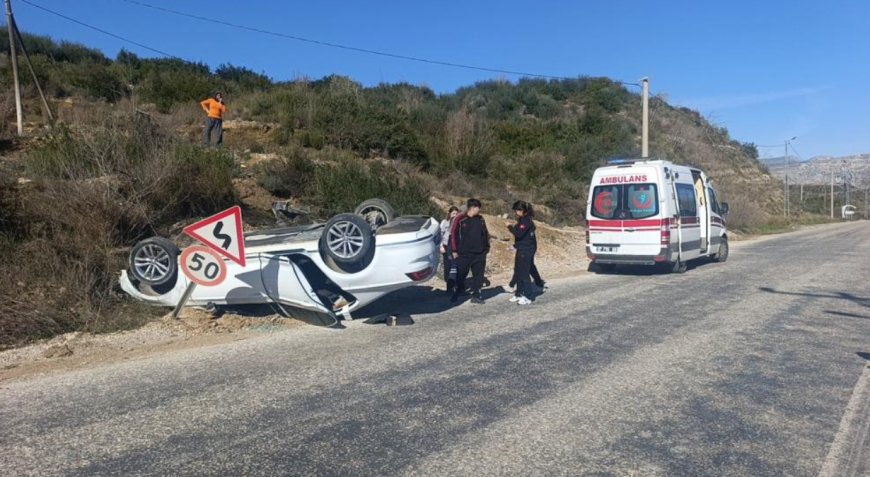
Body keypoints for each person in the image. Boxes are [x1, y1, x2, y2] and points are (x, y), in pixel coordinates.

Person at [449, 198, 490, 304]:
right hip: (464, 253)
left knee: (478, 276)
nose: (479, 210)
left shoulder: (481, 219)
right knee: (461, 274)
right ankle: (458, 293)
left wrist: (486, 247)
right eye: (478, 208)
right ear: (472, 208)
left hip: (479, 253)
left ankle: (476, 295)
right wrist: (454, 250)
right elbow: (453, 234)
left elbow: (485, 233)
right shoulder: (460, 219)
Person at [507, 200, 538, 305]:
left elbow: (518, 234)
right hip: (522, 248)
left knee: (524, 273)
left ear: (522, 210)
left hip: (527, 250)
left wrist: (509, 227)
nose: (515, 212)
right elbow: (523, 238)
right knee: (518, 271)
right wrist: (515, 246)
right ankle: (519, 293)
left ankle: (528, 296)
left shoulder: (526, 221)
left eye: (517, 210)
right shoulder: (522, 220)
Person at [439, 206, 460, 293]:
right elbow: (440, 235)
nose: (454, 215)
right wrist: (441, 246)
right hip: (446, 246)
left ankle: (455, 286)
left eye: (456, 213)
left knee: (455, 266)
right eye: (453, 213)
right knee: (447, 267)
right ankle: (449, 286)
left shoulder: (459, 223)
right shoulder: (445, 222)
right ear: (449, 214)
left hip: (455, 247)